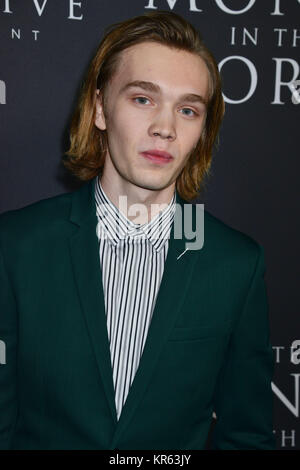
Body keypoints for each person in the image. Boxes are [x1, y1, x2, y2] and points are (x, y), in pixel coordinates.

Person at [0, 10, 276, 450]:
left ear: (202, 131)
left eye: (187, 109)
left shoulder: (235, 264)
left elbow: (246, 435)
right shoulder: (15, 246)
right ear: (99, 109)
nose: (165, 128)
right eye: (143, 99)